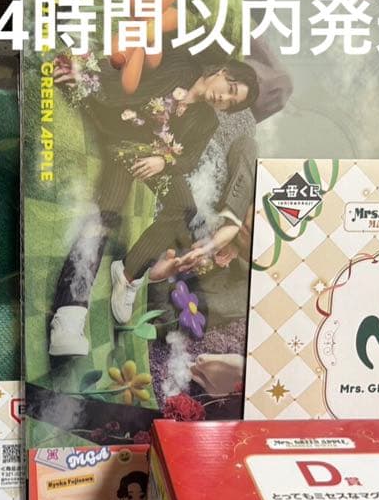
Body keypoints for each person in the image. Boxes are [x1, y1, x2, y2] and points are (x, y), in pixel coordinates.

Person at [49, 52, 259, 356]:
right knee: (106, 213)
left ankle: (128, 273)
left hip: (152, 160)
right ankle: (68, 316)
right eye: (230, 88)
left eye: (230, 102)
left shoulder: (207, 121)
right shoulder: (182, 66)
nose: (223, 98)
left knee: (184, 208)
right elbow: (130, 85)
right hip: (122, 140)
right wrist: (87, 78)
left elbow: (188, 159)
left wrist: (163, 161)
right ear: (223, 72)